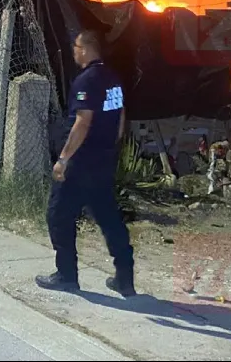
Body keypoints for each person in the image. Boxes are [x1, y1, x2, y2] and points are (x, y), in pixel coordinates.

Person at [37, 29, 136, 297]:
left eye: (76, 47)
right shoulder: (112, 78)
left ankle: (66, 275)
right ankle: (125, 277)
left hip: (81, 161)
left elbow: (82, 122)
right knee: (109, 218)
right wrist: (110, 147)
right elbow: (120, 116)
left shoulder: (86, 80)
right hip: (103, 159)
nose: (74, 51)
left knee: (59, 215)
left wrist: (63, 159)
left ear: (85, 49)